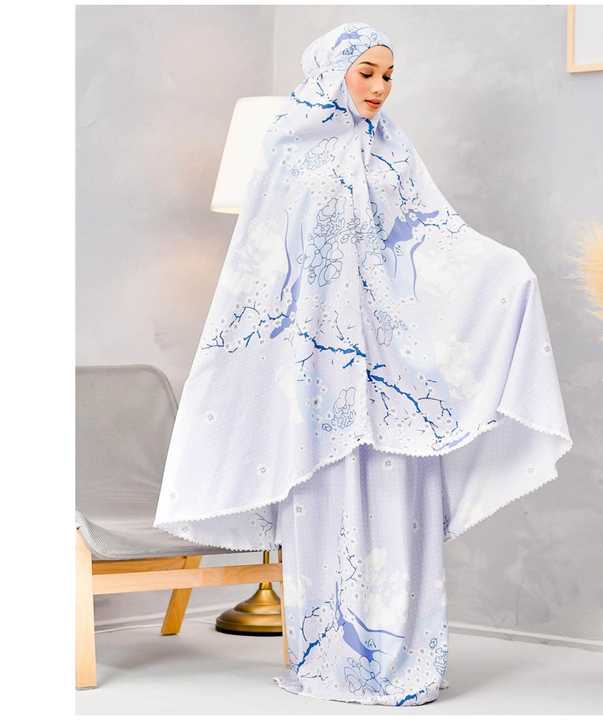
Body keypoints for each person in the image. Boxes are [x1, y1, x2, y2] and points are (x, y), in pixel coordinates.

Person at [153, 21, 573, 706]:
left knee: (397, 500)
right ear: (332, 71)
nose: (380, 88)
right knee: (327, 501)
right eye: (367, 73)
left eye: (388, 75)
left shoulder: (393, 151)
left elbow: (431, 241)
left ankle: (404, 661)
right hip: (318, 369)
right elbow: (263, 264)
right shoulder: (289, 149)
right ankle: (334, 661)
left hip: (391, 365)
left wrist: (506, 271)